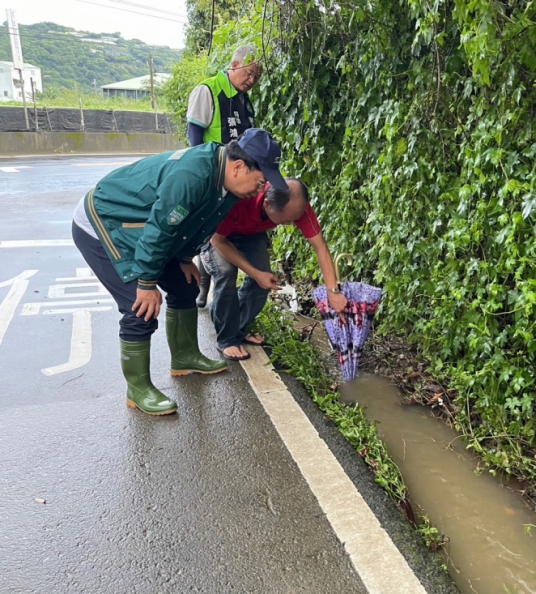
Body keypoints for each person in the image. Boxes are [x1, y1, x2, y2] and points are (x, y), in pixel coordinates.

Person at [71, 128, 289, 416]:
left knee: (185, 285)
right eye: (260, 181)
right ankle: (138, 388)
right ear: (239, 167)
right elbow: (161, 228)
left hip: (144, 228)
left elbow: (200, 223)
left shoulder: (228, 183)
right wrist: (147, 283)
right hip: (105, 224)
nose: (261, 190)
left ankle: (184, 357)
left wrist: (186, 258)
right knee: (139, 308)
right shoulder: (193, 175)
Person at [201, 178, 348, 361]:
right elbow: (218, 241)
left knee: (263, 284)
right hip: (216, 235)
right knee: (226, 274)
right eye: (286, 219)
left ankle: (236, 327)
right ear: (267, 204)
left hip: (250, 233)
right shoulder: (242, 197)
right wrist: (256, 274)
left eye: (294, 219)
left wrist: (333, 292)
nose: (291, 223)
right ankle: (227, 339)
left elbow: (321, 248)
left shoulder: (297, 207)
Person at [186, 45, 263, 308]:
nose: (252, 80)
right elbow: (195, 134)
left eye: (257, 77)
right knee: (211, 232)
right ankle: (203, 286)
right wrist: (202, 174)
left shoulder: (244, 99)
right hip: (216, 176)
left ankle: (207, 283)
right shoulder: (208, 90)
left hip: (240, 179)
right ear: (234, 64)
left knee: (222, 232)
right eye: (249, 73)